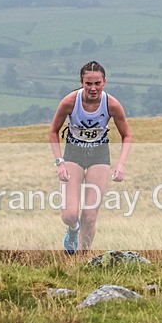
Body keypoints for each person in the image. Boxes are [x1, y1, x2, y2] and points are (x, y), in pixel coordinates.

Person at [49, 61, 131, 253]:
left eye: (97, 83)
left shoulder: (112, 104)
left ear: (104, 82)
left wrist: (120, 164)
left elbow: (126, 135)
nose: (93, 88)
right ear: (81, 82)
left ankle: (82, 257)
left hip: (99, 155)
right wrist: (60, 163)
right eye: (88, 83)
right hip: (74, 153)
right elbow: (53, 131)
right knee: (69, 215)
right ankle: (73, 229)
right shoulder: (70, 102)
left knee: (90, 215)